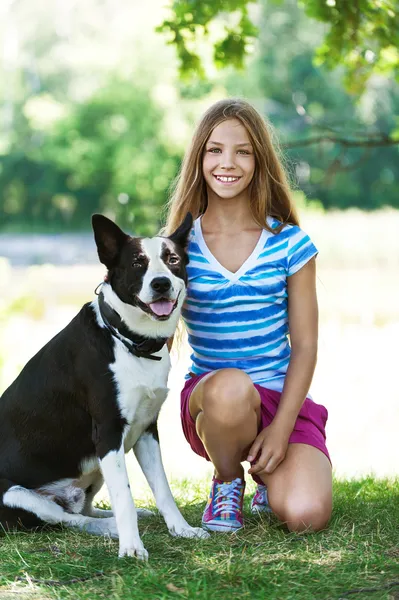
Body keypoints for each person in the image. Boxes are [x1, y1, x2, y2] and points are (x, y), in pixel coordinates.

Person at [164, 98, 332, 534]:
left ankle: (267, 477)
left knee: (306, 515)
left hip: (281, 401)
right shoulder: (177, 249)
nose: (228, 163)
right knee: (232, 388)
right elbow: (155, 340)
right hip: (215, 399)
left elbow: (307, 345)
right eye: (215, 150)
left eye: (243, 151)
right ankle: (226, 479)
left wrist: (281, 429)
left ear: (259, 161)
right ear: (199, 158)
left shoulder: (289, 243)